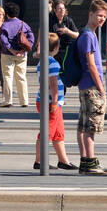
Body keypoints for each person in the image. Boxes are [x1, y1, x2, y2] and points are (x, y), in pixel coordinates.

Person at [77, 0, 107, 175]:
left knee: (83, 126)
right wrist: (101, 88)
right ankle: (90, 162)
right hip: (91, 87)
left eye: (104, 16)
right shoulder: (89, 36)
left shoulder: (85, 33)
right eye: (99, 15)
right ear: (91, 14)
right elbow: (91, 65)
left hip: (84, 85)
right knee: (91, 128)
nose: (102, 19)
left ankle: (85, 161)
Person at [35, 33, 76, 170]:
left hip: (48, 101)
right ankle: (39, 161)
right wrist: (54, 101)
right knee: (47, 131)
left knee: (58, 132)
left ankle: (63, 160)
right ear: (56, 47)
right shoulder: (52, 63)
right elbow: (53, 84)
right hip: (50, 102)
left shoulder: (43, 61)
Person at [0, 1, 35, 108]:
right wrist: (24, 50)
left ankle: (8, 100)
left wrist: (11, 50)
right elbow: (31, 38)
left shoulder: (5, 25)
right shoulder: (23, 24)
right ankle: (24, 101)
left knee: (8, 77)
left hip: (7, 54)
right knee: (21, 77)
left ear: (7, 13)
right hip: (22, 55)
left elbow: (3, 40)